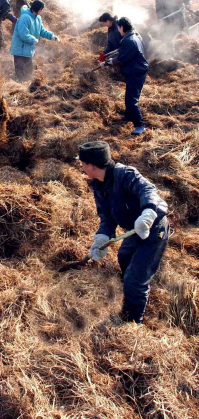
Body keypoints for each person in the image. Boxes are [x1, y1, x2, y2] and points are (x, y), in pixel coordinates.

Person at [78, 141, 169, 324]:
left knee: (134, 282)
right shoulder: (98, 184)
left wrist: (149, 212)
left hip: (153, 229)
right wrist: (103, 237)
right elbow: (107, 216)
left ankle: (132, 322)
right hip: (133, 231)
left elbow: (148, 190)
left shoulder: (125, 174)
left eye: (82, 164)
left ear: (91, 166)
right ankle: (133, 289)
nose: (81, 167)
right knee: (124, 257)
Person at [105, 17, 148, 136]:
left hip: (136, 72)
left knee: (131, 101)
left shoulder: (128, 40)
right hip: (136, 70)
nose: (118, 30)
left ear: (122, 27)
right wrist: (111, 58)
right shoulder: (135, 35)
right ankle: (128, 115)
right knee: (129, 96)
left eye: (118, 28)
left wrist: (109, 62)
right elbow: (124, 53)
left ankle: (140, 125)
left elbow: (122, 59)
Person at [10, 0, 59, 82]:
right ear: (38, 9)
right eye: (42, 9)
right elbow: (23, 34)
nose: (42, 11)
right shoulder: (25, 18)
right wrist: (34, 40)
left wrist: (52, 36)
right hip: (20, 50)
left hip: (28, 50)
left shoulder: (38, 19)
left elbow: (42, 31)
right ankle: (18, 87)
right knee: (21, 72)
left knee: (29, 72)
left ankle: (25, 87)